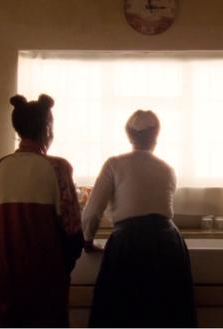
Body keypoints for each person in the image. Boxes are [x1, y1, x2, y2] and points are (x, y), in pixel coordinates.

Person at [82, 110, 198, 328]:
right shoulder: (168, 169)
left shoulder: (114, 164)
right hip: (168, 244)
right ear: (156, 135)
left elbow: (92, 211)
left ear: (129, 135)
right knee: (166, 315)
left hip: (129, 243)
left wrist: (87, 240)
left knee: (123, 314)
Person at [0, 94, 83, 327]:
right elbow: (72, 230)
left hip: (7, 282)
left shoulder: (1, 165)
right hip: (45, 282)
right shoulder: (57, 167)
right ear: (47, 128)